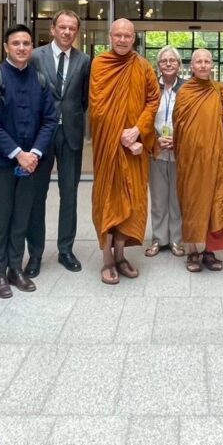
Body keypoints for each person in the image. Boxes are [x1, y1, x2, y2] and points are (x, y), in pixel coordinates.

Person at [0, 24, 57, 299]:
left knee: (22, 216)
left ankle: (15, 267)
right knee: (0, 218)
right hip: (0, 163)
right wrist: (17, 153)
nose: (22, 48)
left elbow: (49, 120)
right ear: (6, 47)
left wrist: (35, 153)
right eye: (16, 43)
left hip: (30, 163)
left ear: (32, 47)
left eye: (26, 43)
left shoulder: (40, 80)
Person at [89, 18, 160, 284]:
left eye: (127, 35)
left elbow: (153, 100)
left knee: (132, 200)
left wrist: (139, 129)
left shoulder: (142, 66)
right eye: (117, 35)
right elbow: (98, 107)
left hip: (135, 149)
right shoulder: (100, 64)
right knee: (108, 199)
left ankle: (120, 255)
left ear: (133, 38)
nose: (122, 39)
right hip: (109, 147)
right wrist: (123, 137)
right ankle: (107, 259)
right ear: (110, 36)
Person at [25, 9, 91, 278]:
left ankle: (66, 250)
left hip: (71, 134)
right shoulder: (35, 57)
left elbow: (83, 99)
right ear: (53, 29)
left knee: (69, 194)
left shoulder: (84, 60)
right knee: (36, 196)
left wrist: (69, 117)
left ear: (77, 32)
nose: (67, 32)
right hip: (41, 134)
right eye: (62, 27)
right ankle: (35, 254)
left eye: (72, 28)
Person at [174, 48, 223, 272]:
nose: (202, 65)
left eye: (206, 61)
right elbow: (178, 125)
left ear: (212, 65)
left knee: (214, 202)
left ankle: (209, 251)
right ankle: (192, 251)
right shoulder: (184, 92)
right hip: (190, 158)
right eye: (198, 62)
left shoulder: (219, 90)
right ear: (191, 66)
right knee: (192, 201)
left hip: (215, 157)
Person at [145, 45, 186, 258]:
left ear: (179, 65)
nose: (168, 64)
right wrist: (155, 139)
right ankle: (158, 239)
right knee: (158, 197)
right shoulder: (151, 87)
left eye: (172, 60)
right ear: (158, 65)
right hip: (156, 149)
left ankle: (177, 240)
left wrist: (177, 139)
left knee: (177, 198)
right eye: (164, 61)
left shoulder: (187, 88)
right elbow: (143, 116)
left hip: (180, 151)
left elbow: (191, 120)